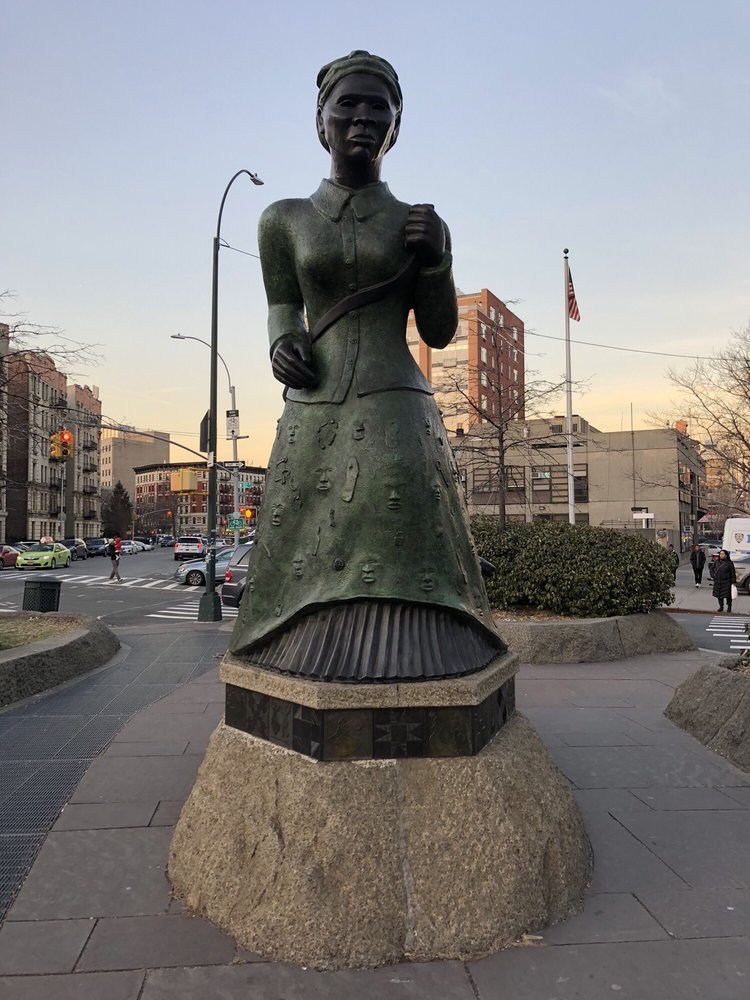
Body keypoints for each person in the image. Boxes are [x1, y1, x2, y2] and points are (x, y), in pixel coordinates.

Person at [228, 51, 503, 682]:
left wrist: (437, 261)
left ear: (396, 125)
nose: (361, 117)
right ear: (320, 120)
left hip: (396, 404)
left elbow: (437, 329)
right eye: (346, 104)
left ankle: (424, 660)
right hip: (313, 406)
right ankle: (296, 659)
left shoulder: (420, 223)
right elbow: (281, 305)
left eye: (377, 106)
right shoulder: (284, 219)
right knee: (303, 542)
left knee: (403, 540)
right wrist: (281, 342)